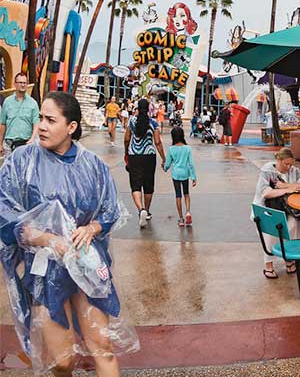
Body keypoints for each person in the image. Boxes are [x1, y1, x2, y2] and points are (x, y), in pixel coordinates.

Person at [0, 92, 138, 376]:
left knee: (103, 346)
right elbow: (4, 212)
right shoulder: (21, 162)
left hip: (85, 264)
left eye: (51, 120)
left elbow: (111, 210)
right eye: (41, 118)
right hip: (46, 270)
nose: (41, 126)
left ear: (71, 127)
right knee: (62, 361)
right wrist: (46, 239)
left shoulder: (93, 166)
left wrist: (93, 228)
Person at [252, 148, 300, 279]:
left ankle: (289, 259)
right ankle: (268, 265)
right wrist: (289, 189)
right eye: (286, 164)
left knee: (293, 226)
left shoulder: (294, 171)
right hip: (267, 210)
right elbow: (266, 193)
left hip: (287, 209)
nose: (289, 167)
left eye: (291, 164)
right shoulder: (267, 171)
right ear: (278, 160)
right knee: (270, 232)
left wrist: (286, 186)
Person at [124, 99, 165, 228]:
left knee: (135, 184)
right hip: (149, 156)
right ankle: (146, 211)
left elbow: (126, 139)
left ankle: (140, 209)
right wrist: (164, 158)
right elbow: (158, 142)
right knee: (148, 184)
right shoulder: (153, 123)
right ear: (148, 109)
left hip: (134, 156)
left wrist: (126, 152)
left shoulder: (131, 121)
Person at [163, 126, 197, 227]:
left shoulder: (171, 149)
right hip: (185, 174)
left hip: (176, 174)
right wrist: (194, 178)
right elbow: (191, 164)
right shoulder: (188, 148)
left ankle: (181, 219)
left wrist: (164, 168)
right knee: (186, 193)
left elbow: (168, 164)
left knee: (178, 195)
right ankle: (188, 212)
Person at [0, 72, 38, 155]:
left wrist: (32, 139)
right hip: (9, 145)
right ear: (15, 84)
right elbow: (3, 124)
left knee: (24, 167)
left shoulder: (33, 103)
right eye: (20, 82)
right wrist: (0, 144)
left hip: (26, 144)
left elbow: (36, 124)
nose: (23, 85)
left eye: (25, 83)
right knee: (10, 167)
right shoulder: (7, 102)